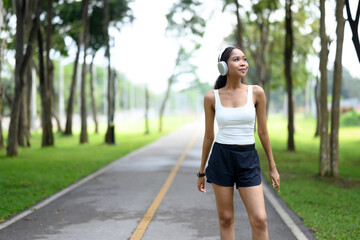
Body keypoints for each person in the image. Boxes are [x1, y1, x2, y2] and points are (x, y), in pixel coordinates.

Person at [197, 46, 280, 240]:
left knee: (260, 218)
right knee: (226, 219)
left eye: (244, 59)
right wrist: (202, 171)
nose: (243, 63)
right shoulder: (212, 97)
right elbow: (209, 136)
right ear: (223, 66)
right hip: (221, 159)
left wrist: (272, 167)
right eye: (236, 59)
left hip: (248, 160)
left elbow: (263, 132)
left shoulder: (256, 92)